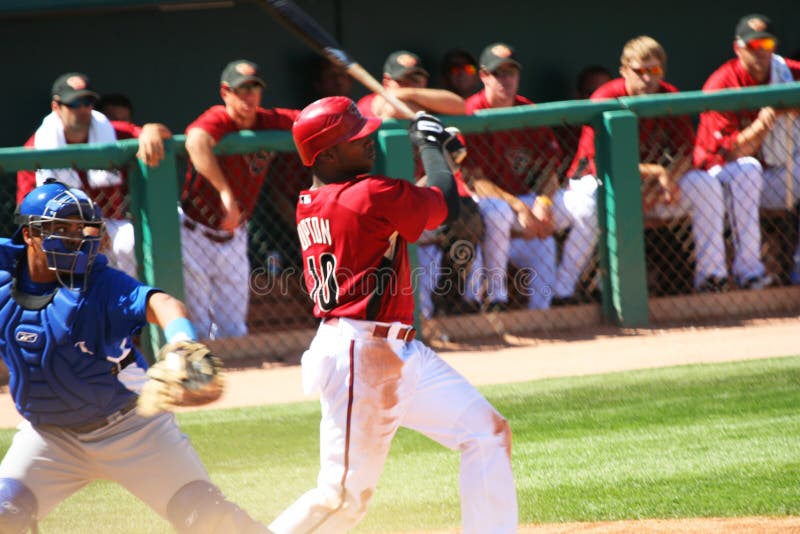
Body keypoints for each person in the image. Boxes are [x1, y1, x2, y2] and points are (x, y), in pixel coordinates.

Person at [268, 97, 517, 533]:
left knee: (486, 434)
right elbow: (442, 203)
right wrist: (434, 148)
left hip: (395, 350)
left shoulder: (317, 199)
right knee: (341, 499)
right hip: (361, 357)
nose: (367, 140)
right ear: (326, 154)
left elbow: (405, 208)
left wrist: (443, 165)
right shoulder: (367, 193)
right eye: (354, 138)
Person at [0, 180, 268, 533]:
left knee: (210, 517)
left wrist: (183, 344)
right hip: (49, 438)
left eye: (82, 228)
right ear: (31, 234)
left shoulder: (99, 283)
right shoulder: (5, 274)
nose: (76, 238)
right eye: (61, 229)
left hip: (131, 427)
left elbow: (164, 304)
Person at [568, 36, 729, 292]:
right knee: (595, 200)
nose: (647, 78)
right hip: (598, 182)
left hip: (652, 191)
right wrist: (657, 173)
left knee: (705, 185)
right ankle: (565, 289)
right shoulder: (605, 96)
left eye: (653, 71)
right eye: (639, 71)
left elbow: (687, 153)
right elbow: (603, 164)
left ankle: (712, 277)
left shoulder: (669, 95)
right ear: (623, 72)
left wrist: (664, 181)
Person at [463, 42, 599, 309]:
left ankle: (562, 292)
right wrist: (520, 207)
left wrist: (545, 201)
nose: (505, 79)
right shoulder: (470, 112)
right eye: (497, 73)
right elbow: (475, 182)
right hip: (487, 206)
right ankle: (496, 296)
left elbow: (550, 170)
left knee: (586, 207)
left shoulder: (528, 110)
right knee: (498, 212)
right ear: (483, 76)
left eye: (510, 72)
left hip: (526, 205)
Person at [181, 59, 299, 339]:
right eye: (241, 89)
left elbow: (312, 118)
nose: (248, 96)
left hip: (236, 233)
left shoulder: (267, 119)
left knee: (234, 329)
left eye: (254, 89)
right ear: (226, 92)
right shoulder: (219, 117)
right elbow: (196, 141)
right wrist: (225, 193)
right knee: (197, 324)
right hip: (195, 231)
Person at [16, 72, 170, 279]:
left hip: (108, 224)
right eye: (74, 103)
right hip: (61, 230)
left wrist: (152, 130)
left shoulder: (109, 131)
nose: (82, 109)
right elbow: (27, 215)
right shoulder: (36, 147)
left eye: (87, 101)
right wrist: (81, 227)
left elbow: (155, 132)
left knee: (130, 241)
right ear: (56, 107)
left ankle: (134, 304)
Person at [694, 13, 800, 288]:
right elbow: (732, 154)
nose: (761, 52)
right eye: (754, 46)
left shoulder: (786, 72)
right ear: (738, 47)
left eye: (767, 45)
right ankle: (749, 273)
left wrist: (789, 106)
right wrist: (763, 123)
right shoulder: (722, 83)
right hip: (719, 177)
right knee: (747, 169)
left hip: (773, 176)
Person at [356, 50, 466, 119]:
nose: (410, 84)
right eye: (402, 79)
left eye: (416, 79)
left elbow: (462, 106)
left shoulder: (429, 98)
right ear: (386, 82)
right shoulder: (368, 102)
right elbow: (392, 110)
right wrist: (433, 110)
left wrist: (406, 93)